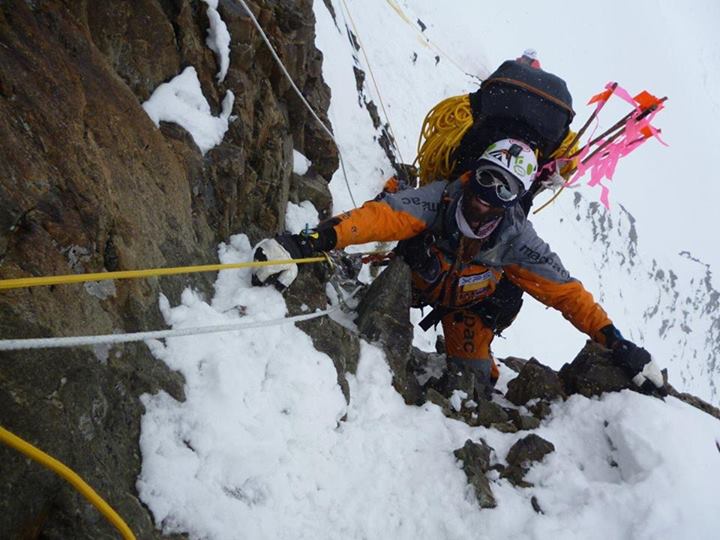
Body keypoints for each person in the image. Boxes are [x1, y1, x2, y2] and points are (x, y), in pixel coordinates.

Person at [252, 138, 665, 400]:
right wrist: (304, 243)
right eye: (485, 178)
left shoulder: (518, 242)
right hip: (414, 282)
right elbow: (379, 217)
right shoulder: (438, 200)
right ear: (472, 175)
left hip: (470, 310)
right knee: (375, 324)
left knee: (471, 386)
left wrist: (616, 343)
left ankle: (481, 371)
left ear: (515, 198)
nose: (487, 196)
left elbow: (567, 294)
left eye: (503, 188)